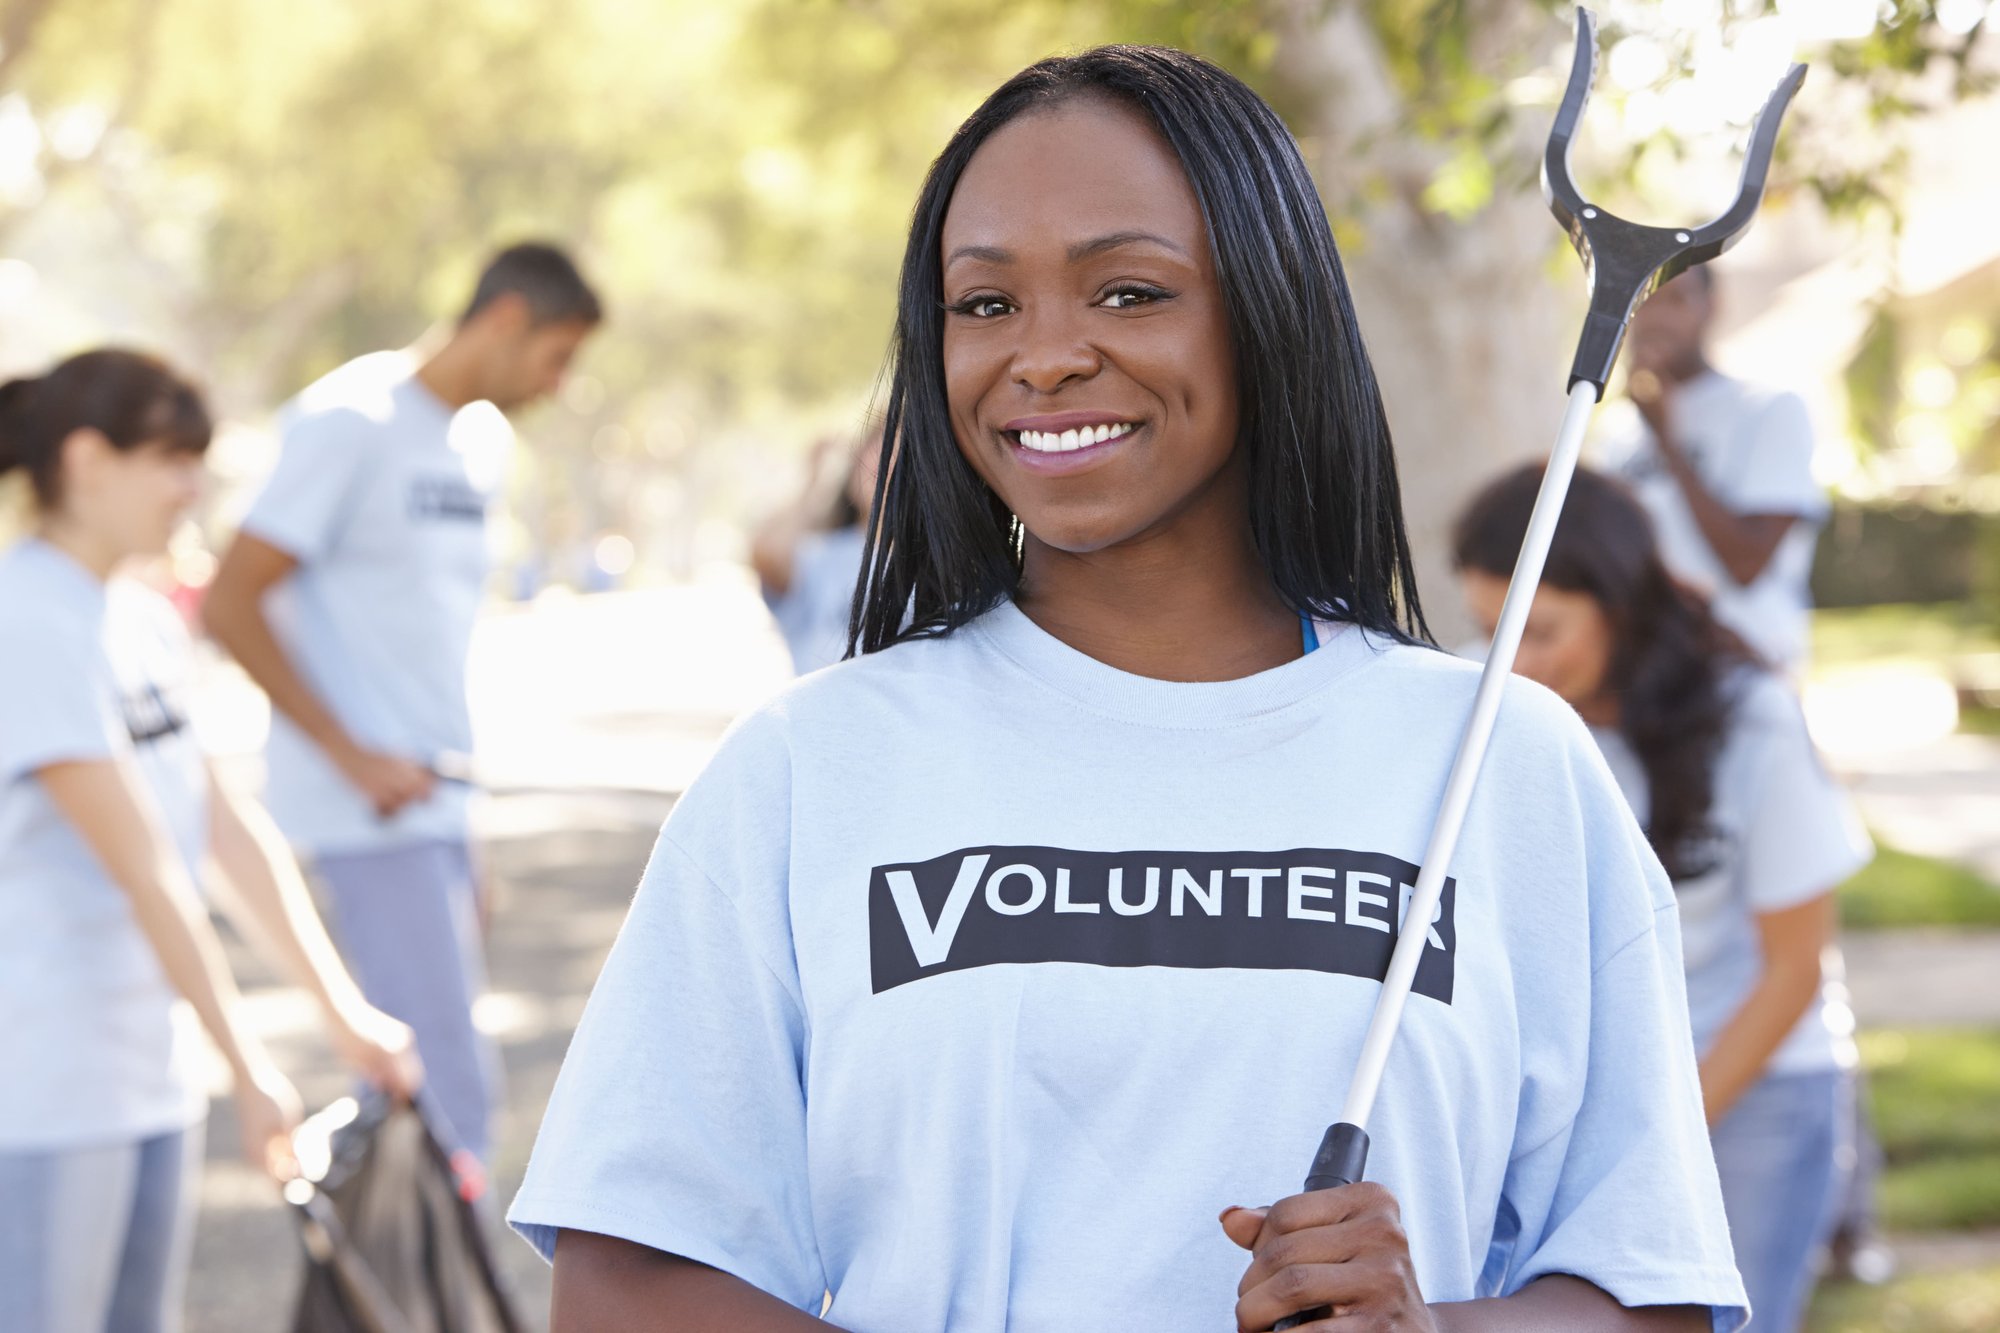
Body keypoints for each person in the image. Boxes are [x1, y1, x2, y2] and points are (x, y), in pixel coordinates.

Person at [509, 48, 1745, 1331]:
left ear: (1264, 310)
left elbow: (1642, 1286)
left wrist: (1424, 1328)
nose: (1044, 357)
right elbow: (629, 1278)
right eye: (984, 306)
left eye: (1128, 290)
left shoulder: (1502, 762)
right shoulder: (804, 767)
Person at [0, 349, 420, 1333]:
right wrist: (247, 1061)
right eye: (169, 459)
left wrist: (342, 1009)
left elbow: (224, 831)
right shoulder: (26, 620)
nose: (192, 489)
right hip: (40, 1079)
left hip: (144, 1069)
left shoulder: (142, 620)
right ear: (86, 458)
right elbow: (144, 867)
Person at [203, 242, 601, 1164]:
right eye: (557, 354)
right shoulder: (350, 420)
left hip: (440, 801)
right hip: (367, 805)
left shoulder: (483, 442)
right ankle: (442, 1302)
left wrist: (472, 827)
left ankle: (374, 1301)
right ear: (505, 319)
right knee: (443, 1092)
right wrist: (350, 754)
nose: (562, 382)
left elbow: (427, 639)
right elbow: (232, 598)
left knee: (412, 1095)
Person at [1455, 463, 1873, 1333]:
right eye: (1493, 632)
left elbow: (1796, 967)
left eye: (1544, 630)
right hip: (1574, 1102)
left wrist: (1656, 1134)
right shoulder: (1484, 706)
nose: (1516, 663)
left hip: (1750, 1087)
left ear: (1619, 599)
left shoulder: (1748, 713)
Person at [1591, 267, 1829, 676]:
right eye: (1644, 302)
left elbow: (1746, 564)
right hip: (1648, 667)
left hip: (1746, 664)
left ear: (1711, 307)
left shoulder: (1770, 409)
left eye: (1677, 300)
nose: (1658, 317)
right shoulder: (1619, 429)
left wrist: (1668, 440)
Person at [750, 426, 881, 675]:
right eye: (877, 448)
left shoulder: (942, 566)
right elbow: (767, 551)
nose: (887, 459)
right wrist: (814, 480)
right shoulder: (821, 555)